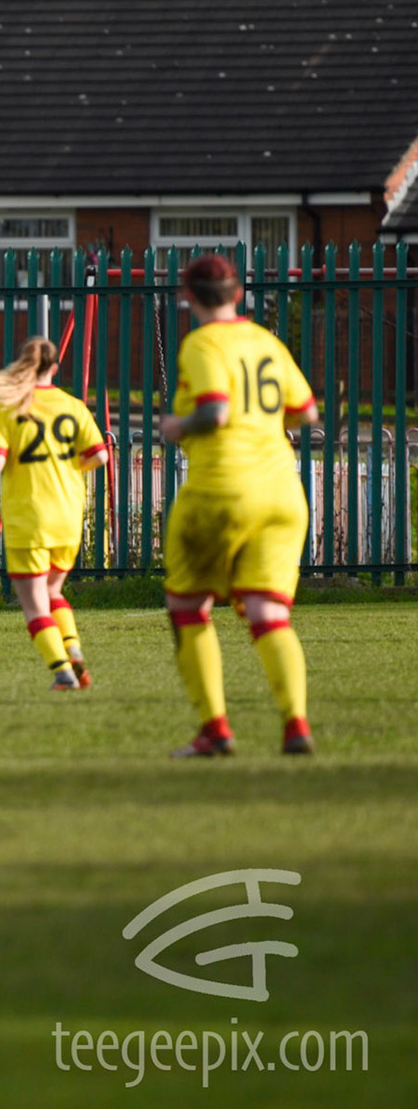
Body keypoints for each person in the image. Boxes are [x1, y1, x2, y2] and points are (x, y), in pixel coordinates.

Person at [159, 253, 319, 758]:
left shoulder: (203, 342)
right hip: (282, 493)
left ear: (189, 297)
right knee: (268, 613)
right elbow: (307, 413)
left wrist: (177, 427)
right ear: (240, 294)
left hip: (222, 489)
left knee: (187, 607)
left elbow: (215, 411)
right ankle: (295, 725)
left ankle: (215, 730)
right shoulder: (266, 342)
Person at [0, 338, 110, 691]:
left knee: (34, 603)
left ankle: (63, 673)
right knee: (54, 593)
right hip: (67, 514)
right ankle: (73, 649)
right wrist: (71, 466)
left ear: (23, 365)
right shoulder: (73, 406)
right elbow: (100, 456)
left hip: (29, 516)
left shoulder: (7, 407)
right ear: (54, 368)